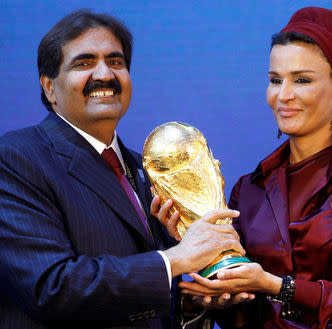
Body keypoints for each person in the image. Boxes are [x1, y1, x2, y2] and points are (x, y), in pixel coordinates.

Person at [155, 7, 332, 329]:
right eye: (275, 80)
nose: (283, 95)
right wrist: (206, 286)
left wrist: (275, 285)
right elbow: (240, 313)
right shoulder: (248, 189)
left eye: (301, 80)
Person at [0, 9, 245, 329]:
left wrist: (191, 300)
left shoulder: (146, 170)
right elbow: (52, 288)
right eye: (84, 62)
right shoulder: (17, 159)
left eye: (115, 62)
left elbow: (148, 295)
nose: (104, 74)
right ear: (49, 88)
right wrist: (176, 259)